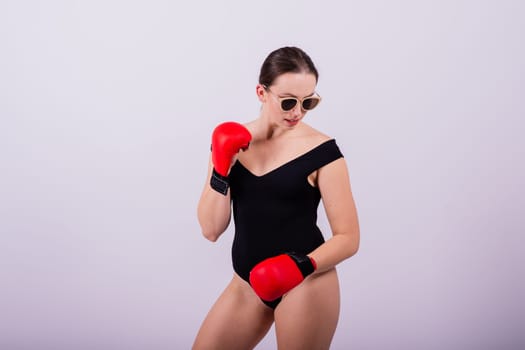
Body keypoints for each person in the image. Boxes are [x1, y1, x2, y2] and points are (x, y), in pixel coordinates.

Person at [193, 46, 360, 350]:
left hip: (306, 282)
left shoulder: (324, 152)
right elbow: (211, 229)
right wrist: (221, 169)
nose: (297, 112)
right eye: (288, 102)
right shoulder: (229, 143)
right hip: (246, 285)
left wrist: (302, 266)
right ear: (261, 93)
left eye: (308, 102)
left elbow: (349, 237)